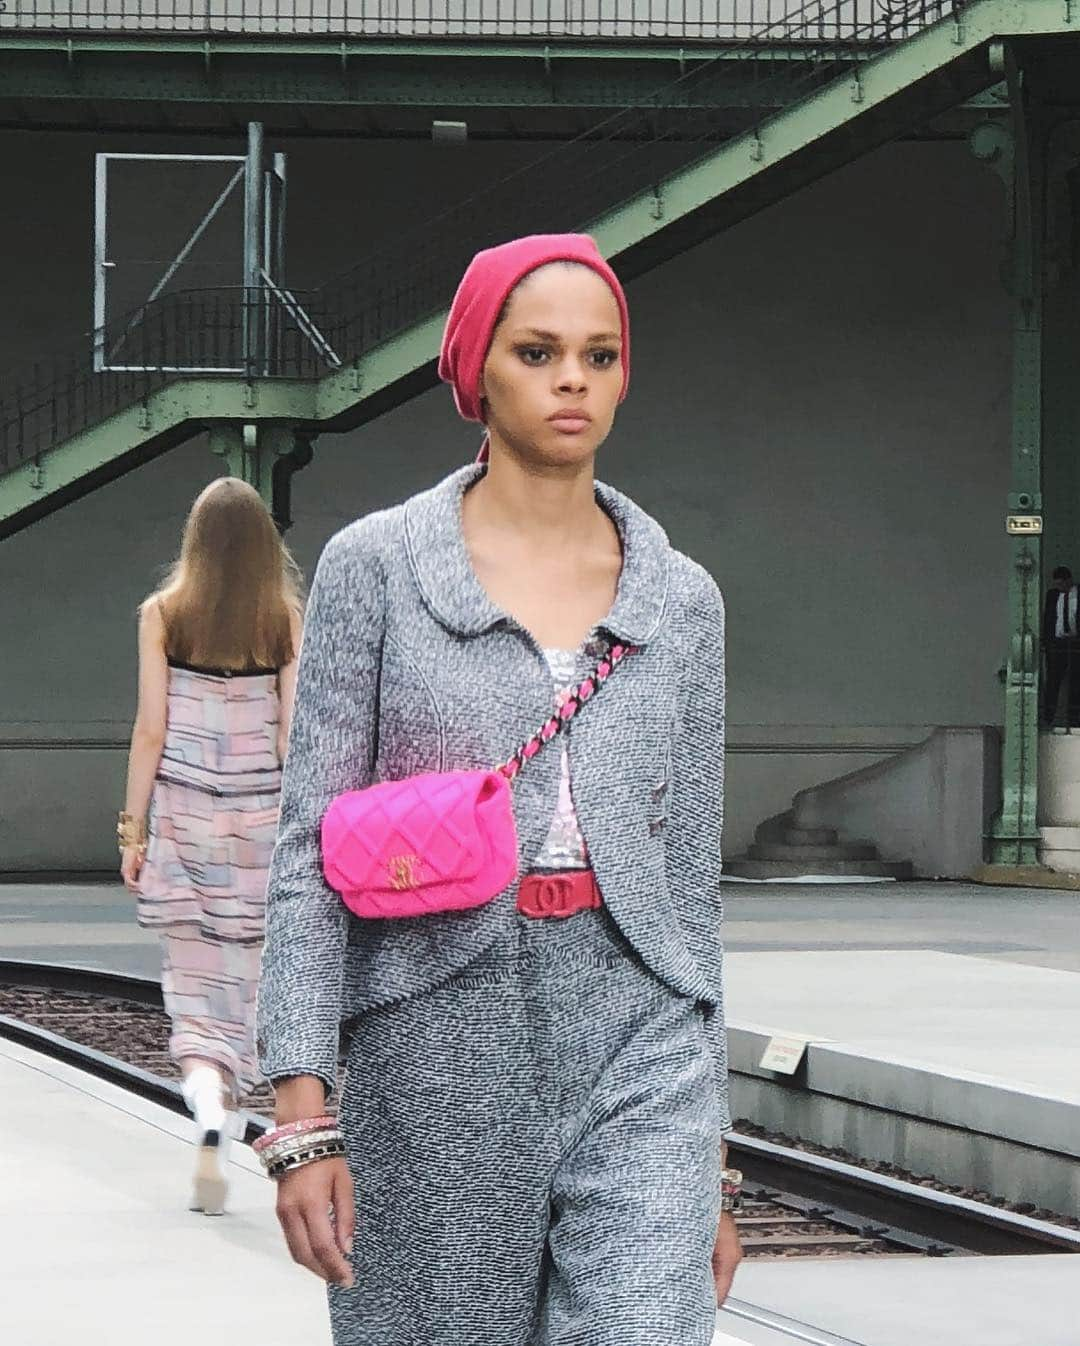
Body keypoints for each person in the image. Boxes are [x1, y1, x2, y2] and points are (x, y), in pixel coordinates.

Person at [256, 233, 741, 1346]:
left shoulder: (684, 599)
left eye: (601, 354)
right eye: (538, 351)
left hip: (639, 1022)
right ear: (477, 371)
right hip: (434, 1027)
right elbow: (305, 851)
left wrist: (711, 1152)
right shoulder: (376, 567)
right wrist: (302, 1109)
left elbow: (687, 889)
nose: (575, 377)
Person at [119, 476, 303, 1215]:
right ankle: (232, 1098)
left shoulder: (163, 614)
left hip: (187, 825)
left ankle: (208, 1116)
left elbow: (150, 731)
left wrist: (134, 831)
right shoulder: (284, 617)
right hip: (263, 828)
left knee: (193, 1004)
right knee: (249, 997)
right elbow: (294, 737)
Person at [1042, 564, 1080, 726]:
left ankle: (1075, 719)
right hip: (1057, 644)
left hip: (1076, 642)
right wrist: (1046, 641)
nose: (1060, 588)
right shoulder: (1052, 595)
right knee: (1053, 681)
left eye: (1061, 584)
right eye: (1057, 585)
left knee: (1076, 681)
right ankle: (1048, 717)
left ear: (1069, 580)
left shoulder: (1077, 593)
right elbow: (1048, 619)